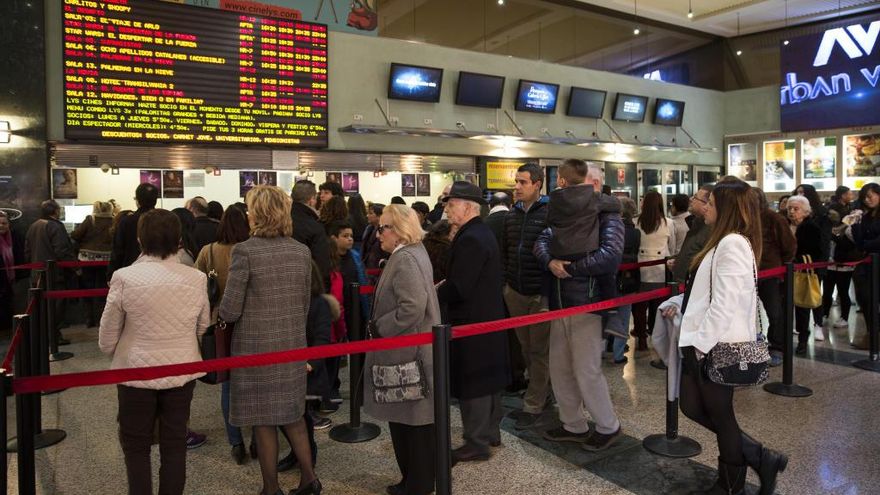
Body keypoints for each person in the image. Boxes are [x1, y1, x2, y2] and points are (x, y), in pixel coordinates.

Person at [663, 177, 787, 495]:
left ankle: (731, 483)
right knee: (692, 405)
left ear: (726, 208)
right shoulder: (723, 241)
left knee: (721, 413)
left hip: (715, 344)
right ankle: (760, 456)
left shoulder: (732, 243)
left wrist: (701, 345)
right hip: (701, 339)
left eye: (713, 203)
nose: (706, 207)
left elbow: (725, 303)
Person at [98, 208, 210, 495]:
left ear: (140, 239)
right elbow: (203, 325)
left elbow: (107, 336)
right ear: (179, 239)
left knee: (136, 446)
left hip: (135, 369)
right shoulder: (195, 277)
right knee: (175, 444)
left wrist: (116, 351)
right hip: (182, 368)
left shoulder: (124, 277)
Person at [219, 185, 320, 495]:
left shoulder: (246, 251)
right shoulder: (300, 251)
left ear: (257, 213)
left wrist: (218, 311)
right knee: (293, 417)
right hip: (291, 343)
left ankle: (270, 488)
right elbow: (305, 303)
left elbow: (231, 309)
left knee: (263, 421)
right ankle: (309, 480)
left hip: (256, 349)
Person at [533, 174, 624, 451]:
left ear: (594, 184)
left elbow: (610, 255)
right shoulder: (565, 214)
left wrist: (569, 268)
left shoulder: (608, 216)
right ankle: (573, 423)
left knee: (586, 370)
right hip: (560, 304)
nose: (567, 188)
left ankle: (608, 426)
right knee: (560, 369)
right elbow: (542, 241)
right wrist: (551, 262)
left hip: (590, 304)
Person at [363, 204, 440, 495]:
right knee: (409, 424)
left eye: (383, 228)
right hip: (411, 352)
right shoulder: (410, 253)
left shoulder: (405, 258)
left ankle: (417, 485)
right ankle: (414, 481)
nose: (378, 234)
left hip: (408, 355)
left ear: (398, 230)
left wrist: (380, 327)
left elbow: (411, 308)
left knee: (413, 425)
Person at [437, 181, 510, 464]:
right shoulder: (480, 231)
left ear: (468, 206)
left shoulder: (470, 237)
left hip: (471, 320)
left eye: (451, 204)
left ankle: (476, 443)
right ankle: (490, 432)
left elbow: (460, 287)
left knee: (474, 381)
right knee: (488, 377)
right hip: (486, 316)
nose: (447, 209)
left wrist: (436, 291)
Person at [194, 206, 252, 465]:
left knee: (228, 386)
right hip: (250, 321)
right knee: (253, 383)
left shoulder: (208, 251)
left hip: (220, 322)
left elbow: (197, 285)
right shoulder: (251, 249)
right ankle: (258, 440)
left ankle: (236, 442)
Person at [500, 163, 550, 429]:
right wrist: (506, 284)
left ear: (538, 184)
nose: (516, 187)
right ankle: (540, 388)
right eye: (516, 181)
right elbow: (507, 249)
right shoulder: (512, 215)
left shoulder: (550, 213)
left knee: (539, 349)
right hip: (515, 290)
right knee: (525, 347)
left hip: (539, 293)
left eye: (523, 182)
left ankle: (534, 403)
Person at [755, 189, 797, 367]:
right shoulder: (743, 220)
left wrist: (780, 266)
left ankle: (777, 346)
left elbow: (789, 245)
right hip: (748, 272)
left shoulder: (774, 219)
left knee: (775, 312)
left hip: (769, 273)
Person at [25, 200, 76, 343]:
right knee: (56, 307)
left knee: (42, 307)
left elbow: (27, 252)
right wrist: (75, 267)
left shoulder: (33, 226)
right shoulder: (55, 226)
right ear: (56, 211)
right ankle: (54, 337)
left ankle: (44, 336)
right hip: (54, 274)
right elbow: (62, 250)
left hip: (36, 273)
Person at [632, 191, 676, 351]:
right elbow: (671, 248)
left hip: (640, 268)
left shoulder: (635, 221)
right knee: (657, 305)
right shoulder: (668, 223)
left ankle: (641, 338)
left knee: (639, 307)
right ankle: (655, 337)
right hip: (660, 269)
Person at [788, 195, 825, 354]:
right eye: (789, 208)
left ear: (805, 211)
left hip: (804, 272)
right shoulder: (784, 225)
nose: (791, 212)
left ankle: (803, 338)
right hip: (786, 272)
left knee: (802, 307)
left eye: (796, 209)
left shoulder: (811, 227)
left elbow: (817, 251)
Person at [70, 201, 114, 328]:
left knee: (86, 288)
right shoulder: (114, 220)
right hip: (106, 259)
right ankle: (102, 318)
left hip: (87, 259)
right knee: (103, 289)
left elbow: (76, 235)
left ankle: (89, 318)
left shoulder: (90, 219)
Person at [848, 183, 880, 349]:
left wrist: (867, 244)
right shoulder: (866, 217)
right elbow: (859, 242)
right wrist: (855, 224)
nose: (868, 200)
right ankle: (872, 334)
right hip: (867, 264)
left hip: (876, 262)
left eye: (871, 196)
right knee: (865, 298)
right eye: (865, 197)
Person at [108, 183, 159, 280]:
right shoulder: (164, 220)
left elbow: (118, 249)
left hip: (130, 271)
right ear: (155, 200)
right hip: (159, 272)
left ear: (137, 200)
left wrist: (111, 273)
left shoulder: (127, 221)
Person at [612, 196, 640, 365]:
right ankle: (618, 352)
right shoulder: (635, 233)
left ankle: (604, 347)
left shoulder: (610, 229)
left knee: (606, 312)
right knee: (624, 316)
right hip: (628, 278)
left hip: (609, 276)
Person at [823, 209, 860, 330]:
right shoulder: (831, 228)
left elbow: (849, 245)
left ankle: (844, 317)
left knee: (843, 292)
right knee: (827, 292)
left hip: (845, 266)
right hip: (830, 265)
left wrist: (834, 236)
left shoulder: (852, 229)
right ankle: (824, 314)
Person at [291, 180, 331, 291]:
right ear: (312, 200)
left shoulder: (282, 221)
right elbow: (322, 265)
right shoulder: (314, 226)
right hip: (308, 287)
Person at [671, 185, 713, 284]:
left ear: (706, 204)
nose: (691, 199)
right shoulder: (695, 224)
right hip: (683, 284)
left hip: (691, 285)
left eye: (695, 197)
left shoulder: (710, 229)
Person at [0, 210, 27, 333]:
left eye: (4, 223)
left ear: (8, 224)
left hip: (15, 277)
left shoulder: (16, 236)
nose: (2, 226)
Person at [363, 203, 389, 269]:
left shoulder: (385, 232)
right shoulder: (369, 229)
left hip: (379, 269)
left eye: (371, 213)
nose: (367, 215)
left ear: (380, 216)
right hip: (368, 268)